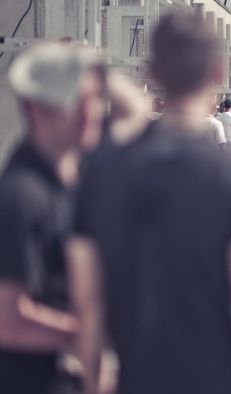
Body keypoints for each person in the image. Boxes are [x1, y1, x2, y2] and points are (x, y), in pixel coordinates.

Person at [67, 11, 231, 394]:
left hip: (138, 379)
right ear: (219, 72)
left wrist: (91, 382)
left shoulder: (103, 171)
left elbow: (87, 301)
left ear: (152, 73)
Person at [0, 43, 104, 394]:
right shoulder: (23, 195)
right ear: (34, 109)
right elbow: (8, 319)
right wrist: (88, 337)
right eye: (75, 100)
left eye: (92, 97)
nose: (90, 111)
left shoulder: (69, 183)